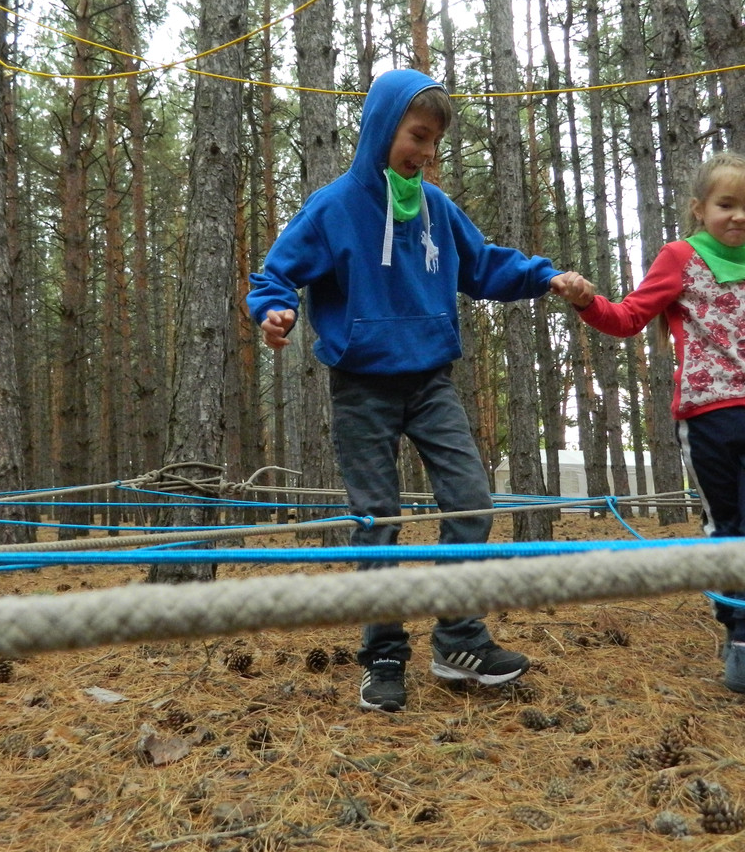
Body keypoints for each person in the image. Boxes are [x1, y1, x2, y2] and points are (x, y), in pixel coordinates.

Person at [246, 69, 583, 713]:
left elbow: (484, 265)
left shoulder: (437, 209)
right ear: (382, 128)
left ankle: (458, 638)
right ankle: (382, 655)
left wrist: (545, 277)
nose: (424, 153)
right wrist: (274, 311)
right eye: (416, 136)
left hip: (431, 381)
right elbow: (276, 273)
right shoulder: (335, 207)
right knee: (379, 519)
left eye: (433, 144)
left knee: (470, 501)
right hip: (362, 386)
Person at [564, 151, 745, 709]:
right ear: (699, 208)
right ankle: (742, 638)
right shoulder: (680, 256)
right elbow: (630, 317)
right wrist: (588, 301)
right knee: (730, 528)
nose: (740, 216)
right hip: (707, 419)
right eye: (726, 204)